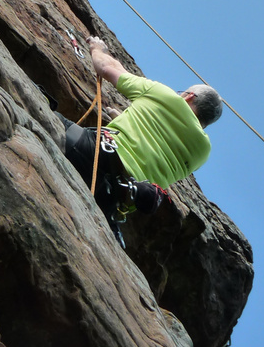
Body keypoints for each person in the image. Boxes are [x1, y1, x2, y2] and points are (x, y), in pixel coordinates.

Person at [59, 36, 222, 246]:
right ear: (206, 124)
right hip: (114, 197)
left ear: (189, 96)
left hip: (93, 152)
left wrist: (98, 48)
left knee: (39, 106)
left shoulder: (166, 96)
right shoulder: (203, 152)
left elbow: (107, 68)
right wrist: (122, 118)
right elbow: (155, 148)